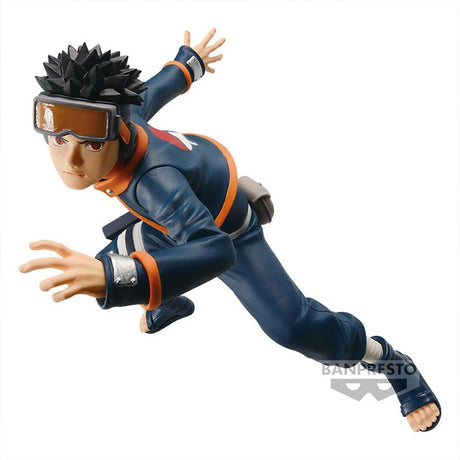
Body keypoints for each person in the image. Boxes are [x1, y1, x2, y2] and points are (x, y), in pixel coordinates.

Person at [20, 29, 441, 432]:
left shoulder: (155, 182)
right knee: (105, 265)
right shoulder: (129, 110)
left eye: (92, 142)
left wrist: (116, 278)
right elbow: (159, 85)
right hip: (168, 221)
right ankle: (168, 301)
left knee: (293, 328)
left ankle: (391, 363)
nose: (70, 160)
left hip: (226, 232)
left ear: (119, 128)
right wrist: (190, 62)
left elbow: (216, 251)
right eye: (57, 135)